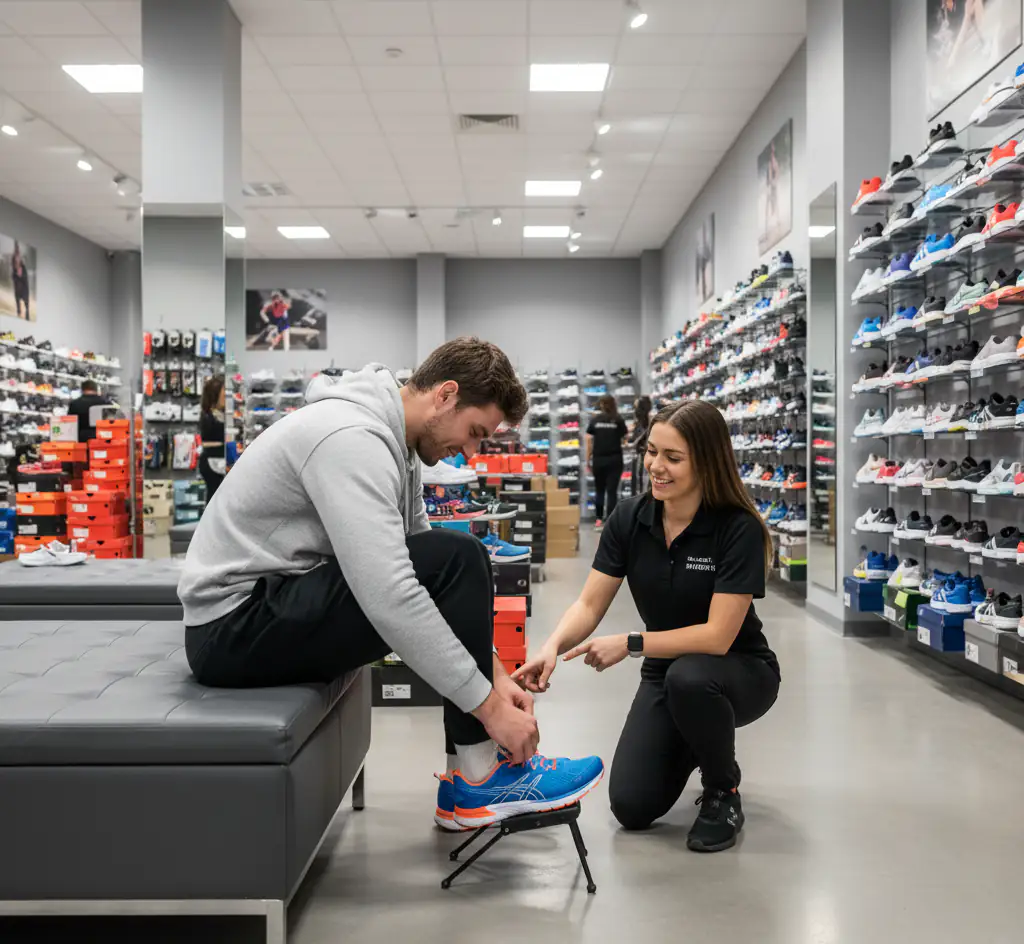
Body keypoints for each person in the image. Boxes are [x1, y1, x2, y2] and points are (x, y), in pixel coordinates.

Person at [178, 338, 604, 831]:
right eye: (474, 432)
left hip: (269, 606)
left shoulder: (395, 444)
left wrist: (497, 675)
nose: (469, 452)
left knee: (459, 555)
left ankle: (471, 778)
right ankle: (481, 776)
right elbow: (391, 595)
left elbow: (428, 564)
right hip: (232, 627)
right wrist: (489, 709)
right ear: (445, 395)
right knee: (461, 555)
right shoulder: (350, 438)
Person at [514, 399, 780, 853]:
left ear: (708, 462)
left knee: (690, 677)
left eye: (673, 458)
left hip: (738, 669)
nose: (656, 466)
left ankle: (723, 790)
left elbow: (718, 636)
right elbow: (589, 603)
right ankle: (697, 732)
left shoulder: (737, 529)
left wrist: (633, 642)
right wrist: (552, 646)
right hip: (667, 671)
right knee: (632, 806)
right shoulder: (630, 518)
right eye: (652, 451)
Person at [586, 394, 627, 530]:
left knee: (599, 491)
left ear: (602, 405)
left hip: (599, 459)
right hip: (615, 459)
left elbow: (588, 441)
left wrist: (588, 459)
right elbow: (624, 439)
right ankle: (610, 523)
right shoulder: (618, 420)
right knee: (612, 492)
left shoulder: (595, 420)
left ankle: (598, 520)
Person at [198, 375, 226, 503]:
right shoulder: (208, 417)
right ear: (216, 395)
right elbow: (208, 441)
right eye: (223, 393)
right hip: (212, 463)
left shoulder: (218, 415)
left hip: (216, 461)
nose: (225, 396)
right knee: (214, 498)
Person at [66, 379, 109, 443]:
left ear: (82, 390)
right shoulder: (106, 403)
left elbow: (70, 424)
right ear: (96, 389)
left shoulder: (74, 404)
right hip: (103, 438)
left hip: (81, 440)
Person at [629, 395, 653, 495]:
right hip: (640, 454)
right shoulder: (639, 421)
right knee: (639, 481)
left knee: (644, 482)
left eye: (636, 407)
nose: (634, 410)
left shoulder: (649, 419)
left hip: (645, 454)